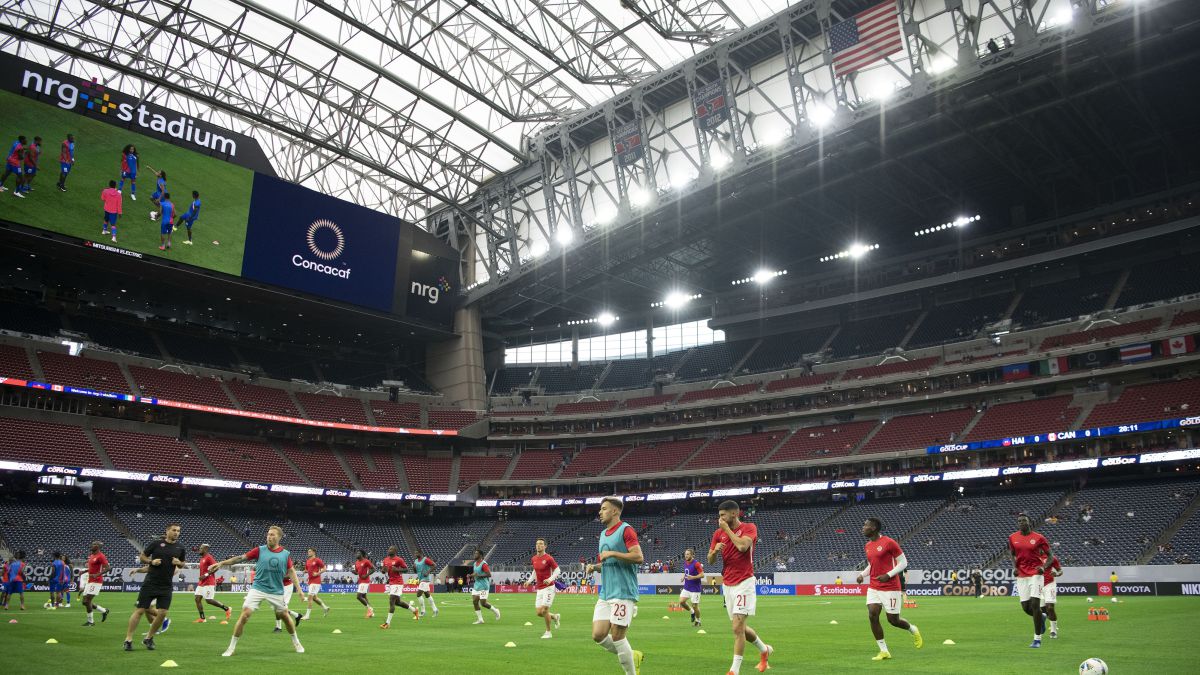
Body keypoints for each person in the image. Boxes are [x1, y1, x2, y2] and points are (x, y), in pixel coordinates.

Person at [211, 525, 305, 656]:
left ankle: (296, 642)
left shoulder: (285, 554)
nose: (269, 536)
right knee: (245, 615)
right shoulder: (259, 550)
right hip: (258, 588)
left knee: (284, 616)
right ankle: (231, 647)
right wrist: (221, 563)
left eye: (272, 534)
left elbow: (291, 572)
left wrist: (299, 590)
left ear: (279, 537)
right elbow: (239, 558)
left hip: (276, 591)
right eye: (268, 534)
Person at [709, 500, 773, 674]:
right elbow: (710, 560)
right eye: (719, 515)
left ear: (734, 514)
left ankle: (734, 671)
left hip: (745, 581)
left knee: (737, 627)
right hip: (728, 584)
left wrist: (727, 530)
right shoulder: (717, 534)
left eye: (723, 515)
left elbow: (742, 546)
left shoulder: (749, 527)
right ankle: (764, 649)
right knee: (741, 628)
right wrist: (714, 551)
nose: (720, 518)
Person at [586, 496, 644, 675]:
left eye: (604, 508)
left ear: (615, 511)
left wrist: (612, 553)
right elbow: (607, 563)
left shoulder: (626, 530)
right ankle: (630, 654)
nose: (600, 512)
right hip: (606, 593)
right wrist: (595, 567)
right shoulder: (603, 534)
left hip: (623, 591)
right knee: (598, 635)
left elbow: (638, 557)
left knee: (618, 637)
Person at [856, 517, 922, 662]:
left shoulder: (889, 542)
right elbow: (871, 565)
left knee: (893, 620)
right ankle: (884, 651)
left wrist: (888, 575)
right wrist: (862, 574)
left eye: (865, 525)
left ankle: (912, 629)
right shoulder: (867, 546)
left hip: (890, 587)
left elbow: (904, 562)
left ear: (873, 528)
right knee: (872, 615)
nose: (863, 527)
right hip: (874, 586)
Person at [123, 523, 186, 652]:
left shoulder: (180, 547)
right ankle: (128, 639)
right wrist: (151, 562)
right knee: (140, 610)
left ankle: (149, 638)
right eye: (174, 530)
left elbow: (182, 564)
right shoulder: (156, 544)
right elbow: (142, 556)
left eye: (178, 531)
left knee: (163, 613)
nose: (176, 533)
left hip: (166, 585)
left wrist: (179, 563)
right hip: (151, 583)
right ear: (167, 530)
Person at [1008, 513, 1052, 648]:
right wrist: (1015, 567)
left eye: (1024, 520)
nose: (1022, 522)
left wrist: (1043, 568)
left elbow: (1050, 556)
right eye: (1019, 521)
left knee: (1034, 604)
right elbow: (1012, 554)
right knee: (1026, 608)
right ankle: (1042, 618)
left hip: (1035, 574)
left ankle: (1037, 639)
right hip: (1021, 575)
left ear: (1029, 522)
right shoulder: (1012, 537)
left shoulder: (1039, 538)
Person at [523, 538, 561, 639]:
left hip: (549, 587)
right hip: (539, 588)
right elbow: (534, 571)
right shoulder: (534, 558)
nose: (538, 545)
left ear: (545, 546)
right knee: (539, 613)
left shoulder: (549, 558)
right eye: (537, 544)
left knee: (544, 610)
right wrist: (529, 581)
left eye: (541, 544)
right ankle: (555, 616)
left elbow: (557, 570)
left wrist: (550, 579)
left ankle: (548, 632)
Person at [380, 545, 418, 628]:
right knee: (398, 602)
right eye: (389, 548)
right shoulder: (385, 560)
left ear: (395, 551)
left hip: (398, 582)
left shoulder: (399, 559)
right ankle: (414, 610)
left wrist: (397, 570)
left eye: (391, 549)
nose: (389, 550)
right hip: (391, 583)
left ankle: (387, 623)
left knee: (391, 600)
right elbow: (383, 570)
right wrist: (383, 571)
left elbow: (406, 569)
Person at [194, 544, 232, 623]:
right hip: (201, 583)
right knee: (197, 599)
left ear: (205, 549)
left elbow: (217, 567)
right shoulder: (202, 558)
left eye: (201, 548)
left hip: (208, 582)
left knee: (208, 600)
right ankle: (202, 618)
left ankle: (227, 609)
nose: (199, 549)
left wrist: (206, 575)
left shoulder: (209, 557)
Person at [81, 540, 110, 626]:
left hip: (96, 581)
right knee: (84, 602)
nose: (92, 545)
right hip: (90, 581)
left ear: (98, 547)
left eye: (94, 544)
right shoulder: (92, 556)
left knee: (87, 601)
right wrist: (85, 571)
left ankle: (91, 622)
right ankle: (104, 610)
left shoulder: (101, 556)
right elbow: (92, 567)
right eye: (92, 544)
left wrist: (97, 574)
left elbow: (108, 568)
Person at [470, 548, 501, 624]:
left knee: (483, 603)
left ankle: (496, 610)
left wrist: (479, 576)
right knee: (474, 602)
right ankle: (480, 619)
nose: (475, 555)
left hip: (484, 586)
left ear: (480, 555)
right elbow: (475, 573)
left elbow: (489, 574)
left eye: (476, 554)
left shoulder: (484, 564)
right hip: (477, 585)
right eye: (475, 553)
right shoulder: (474, 563)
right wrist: (471, 575)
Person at [302, 548, 330, 619]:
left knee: (310, 597)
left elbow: (324, 568)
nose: (308, 552)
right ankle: (325, 607)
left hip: (316, 581)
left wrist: (318, 573)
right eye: (308, 551)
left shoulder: (317, 560)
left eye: (310, 551)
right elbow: (307, 569)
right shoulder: (308, 561)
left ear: (314, 552)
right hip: (311, 581)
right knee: (314, 598)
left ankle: (307, 616)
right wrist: (305, 571)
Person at [679, 548, 704, 627]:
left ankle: (698, 620)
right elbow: (686, 571)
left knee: (695, 605)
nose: (686, 556)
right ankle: (692, 612)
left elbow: (702, 575)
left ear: (692, 555)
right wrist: (683, 576)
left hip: (695, 589)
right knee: (682, 602)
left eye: (688, 554)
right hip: (687, 587)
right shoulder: (686, 562)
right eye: (685, 554)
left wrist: (693, 577)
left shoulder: (696, 564)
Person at [412, 548, 437, 617]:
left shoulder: (425, 559)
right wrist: (413, 567)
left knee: (418, 594)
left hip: (425, 579)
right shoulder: (416, 561)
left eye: (416, 553)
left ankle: (423, 611)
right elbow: (415, 571)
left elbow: (434, 565)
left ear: (420, 553)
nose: (415, 554)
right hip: (421, 579)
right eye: (415, 553)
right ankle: (435, 610)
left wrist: (428, 572)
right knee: (427, 595)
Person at [1042, 556, 1062, 638]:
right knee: (1043, 610)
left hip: (1049, 584)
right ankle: (1045, 622)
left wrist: (1057, 574)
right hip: (1037, 585)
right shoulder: (1032, 556)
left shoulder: (1051, 558)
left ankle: (1053, 630)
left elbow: (1060, 570)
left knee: (1050, 607)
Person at [354, 549, 375, 618]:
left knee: (359, 596)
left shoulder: (366, 561)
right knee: (364, 596)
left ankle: (370, 609)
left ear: (362, 554)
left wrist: (366, 575)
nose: (357, 554)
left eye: (358, 553)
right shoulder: (356, 562)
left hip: (365, 581)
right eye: (356, 553)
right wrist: (354, 572)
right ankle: (371, 611)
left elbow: (373, 569)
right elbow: (357, 572)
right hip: (360, 581)